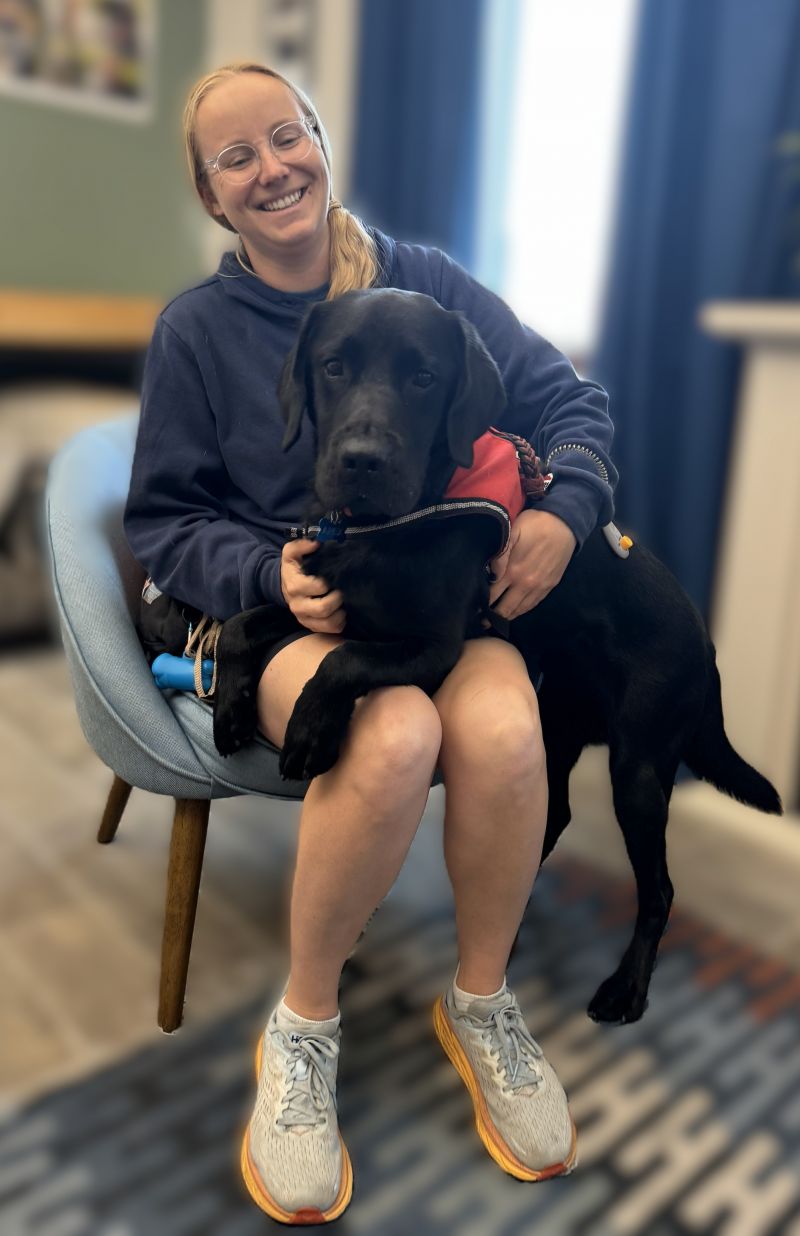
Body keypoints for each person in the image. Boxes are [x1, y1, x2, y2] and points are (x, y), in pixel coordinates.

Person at [124, 62, 617, 1226]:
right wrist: (263, 572)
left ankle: (479, 1005)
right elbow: (159, 521)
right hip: (296, 610)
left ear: (320, 143)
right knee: (388, 730)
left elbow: (569, 404)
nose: (270, 168)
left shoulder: (427, 285)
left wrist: (561, 512)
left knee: (502, 729)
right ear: (210, 194)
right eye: (234, 157)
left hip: (438, 597)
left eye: (284, 136)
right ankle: (301, 1031)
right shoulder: (197, 330)